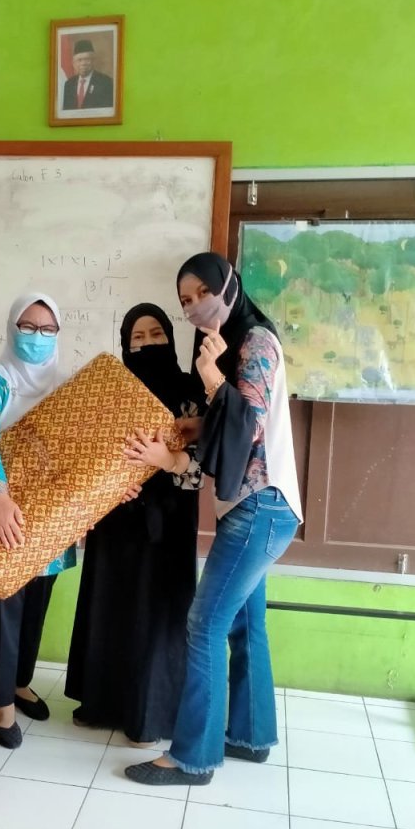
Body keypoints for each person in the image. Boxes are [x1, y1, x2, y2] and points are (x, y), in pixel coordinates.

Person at [122, 253, 302, 786]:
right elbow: (227, 425)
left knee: (204, 626)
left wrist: (208, 378)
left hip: (259, 506)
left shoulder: (256, 342)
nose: (196, 305)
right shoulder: (232, 344)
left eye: (203, 291)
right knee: (246, 623)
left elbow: (246, 427)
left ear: (228, 285)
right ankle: (249, 735)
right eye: (186, 300)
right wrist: (192, 427)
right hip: (254, 507)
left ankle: (192, 759)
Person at [64, 303, 199, 744]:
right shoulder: (111, 391)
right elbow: (89, 453)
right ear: (125, 344)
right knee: (111, 605)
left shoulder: (190, 391)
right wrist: (106, 489)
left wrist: (166, 460)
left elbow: (201, 464)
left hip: (168, 520)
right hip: (116, 516)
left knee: (156, 614)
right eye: (137, 338)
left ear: (170, 339)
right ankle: (101, 703)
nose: (148, 343)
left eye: (156, 334)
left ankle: (150, 716)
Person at [0, 292, 75, 748]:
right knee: (2, 607)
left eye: (47, 329)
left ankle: (20, 681)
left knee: (36, 605)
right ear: (12, 329)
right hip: (3, 512)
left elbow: (76, 446)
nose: (37, 337)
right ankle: (0, 703)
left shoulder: (66, 383)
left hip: (50, 515)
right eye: (27, 327)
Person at [62, 39, 114, 110]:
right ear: (73, 63)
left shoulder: (105, 82)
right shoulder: (69, 84)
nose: (83, 63)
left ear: (93, 61)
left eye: (87, 59)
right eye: (79, 60)